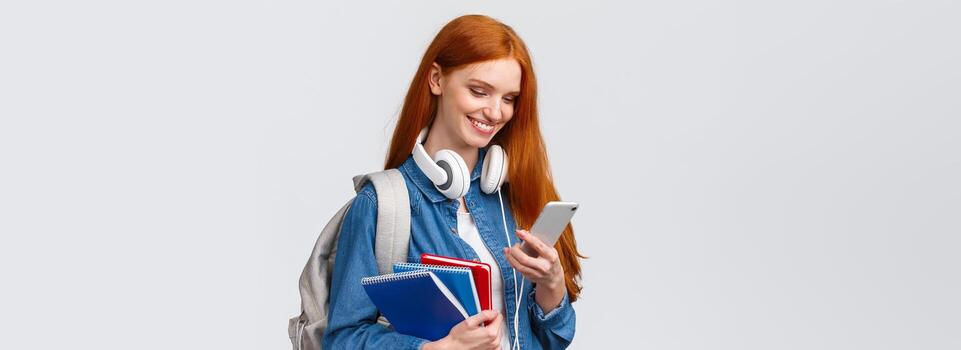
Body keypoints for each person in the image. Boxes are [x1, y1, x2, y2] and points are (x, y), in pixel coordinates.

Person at [322, 14, 584, 350]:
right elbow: (342, 339)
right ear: (436, 79)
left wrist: (552, 284)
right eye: (479, 91)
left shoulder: (513, 197)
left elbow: (555, 338)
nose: (494, 112)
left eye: (508, 99)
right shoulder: (381, 206)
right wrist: (438, 348)